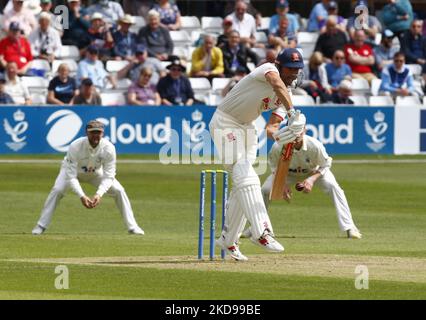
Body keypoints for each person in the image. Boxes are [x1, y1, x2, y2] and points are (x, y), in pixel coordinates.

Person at [210, 48, 306, 261]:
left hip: (247, 128)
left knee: (242, 183)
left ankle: (228, 240)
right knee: (246, 174)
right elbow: (276, 83)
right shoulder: (268, 69)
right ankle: (261, 231)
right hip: (225, 121)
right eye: (290, 68)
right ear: (279, 65)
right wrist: (293, 113)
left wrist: (289, 136)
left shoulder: (286, 97)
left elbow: (271, 129)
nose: (293, 73)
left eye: (297, 70)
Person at [32, 120, 144, 236]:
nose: (96, 135)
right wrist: (82, 196)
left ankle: (132, 227)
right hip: (72, 172)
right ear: (87, 133)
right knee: (58, 190)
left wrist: (98, 194)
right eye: (93, 132)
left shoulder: (109, 148)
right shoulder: (75, 146)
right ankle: (41, 225)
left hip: (95, 173)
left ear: (103, 133)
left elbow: (109, 176)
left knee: (119, 190)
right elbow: (71, 177)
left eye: (98, 132)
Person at [245, 131, 362, 239]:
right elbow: (274, 166)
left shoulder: (314, 145)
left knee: (333, 187)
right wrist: (282, 183)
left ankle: (350, 227)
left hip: (313, 172)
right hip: (287, 174)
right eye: (292, 132)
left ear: (304, 131)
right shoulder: (278, 146)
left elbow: (325, 164)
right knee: (265, 190)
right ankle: (256, 227)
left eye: (298, 133)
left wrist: (311, 180)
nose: (295, 137)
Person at [400, 20, 426, 87]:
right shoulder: (405, 37)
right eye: (413, 26)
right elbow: (405, 52)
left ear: (421, 28)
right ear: (410, 27)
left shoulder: (423, 39)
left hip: (423, 63)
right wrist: (417, 59)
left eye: (418, 27)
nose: (416, 28)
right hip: (410, 62)